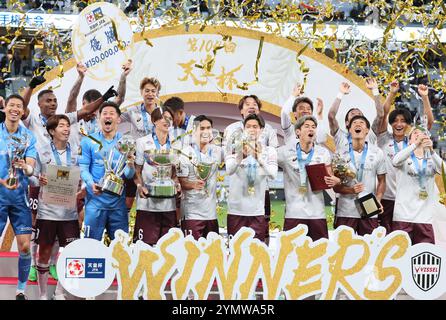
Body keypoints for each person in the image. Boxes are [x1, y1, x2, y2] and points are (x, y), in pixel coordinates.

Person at [24, 81, 117, 282]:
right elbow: (21, 108)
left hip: (63, 181)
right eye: (48, 101)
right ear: (39, 104)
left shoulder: (64, 120)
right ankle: (34, 265)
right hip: (40, 181)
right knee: (35, 225)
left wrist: (103, 99)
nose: (53, 104)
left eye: (55, 100)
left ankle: (54, 266)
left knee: (60, 225)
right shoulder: (32, 120)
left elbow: (85, 111)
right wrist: (30, 87)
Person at [31, 115, 80, 300]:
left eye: (68, 126)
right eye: (62, 126)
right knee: (44, 253)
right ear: (52, 131)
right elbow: (32, 176)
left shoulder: (76, 151)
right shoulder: (40, 151)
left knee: (70, 254)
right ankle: (43, 294)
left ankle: (60, 292)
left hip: (70, 213)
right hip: (48, 212)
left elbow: (81, 176)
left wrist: (81, 189)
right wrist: (39, 179)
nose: (67, 129)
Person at [376, 81, 433, 234]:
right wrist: (392, 93)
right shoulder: (384, 139)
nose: (398, 124)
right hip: (387, 197)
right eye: (395, 121)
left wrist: (425, 98)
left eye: (403, 121)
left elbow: (429, 123)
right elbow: (383, 115)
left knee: (402, 240)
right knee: (384, 238)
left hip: (406, 200)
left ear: (408, 124)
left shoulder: (414, 142)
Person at [223, 95, 278, 244]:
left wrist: (259, 157)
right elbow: (229, 170)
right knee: (235, 251)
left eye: (255, 127)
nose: (252, 130)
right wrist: (241, 155)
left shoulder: (268, 151)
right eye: (248, 127)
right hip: (236, 210)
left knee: (257, 252)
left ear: (261, 130)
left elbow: (273, 174)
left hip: (256, 211)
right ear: (243, 128)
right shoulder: (234, 149)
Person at [79, 102, 135, 241]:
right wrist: (91, 184)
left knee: (120, 251)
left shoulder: (126, 142)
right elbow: (83, 169)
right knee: (90, 246)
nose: (107, 116)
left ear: (118, 119)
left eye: (111, 113)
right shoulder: (88, 141)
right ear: (99, 118)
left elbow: (128, 174)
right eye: (104, 114)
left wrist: (131, 163)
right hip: (95, 203)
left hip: (118, 205)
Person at [277, 116, 340, 241]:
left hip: (317, 214)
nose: (311, 129)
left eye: (313, 127)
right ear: (298, 131)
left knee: (319, 254)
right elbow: (264, 156)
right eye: (306, 126)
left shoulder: (323, 153)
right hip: (294, 213)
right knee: (292, 254)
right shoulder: (285, 152)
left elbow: (330, 177)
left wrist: (336, 181)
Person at [0, 94, 37, 300]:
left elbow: (31, 168)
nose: (15, 109)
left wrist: (26, 167)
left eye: (19, 106)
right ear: (5, 107)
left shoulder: (29, 137)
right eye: (11, 105)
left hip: (19, 198)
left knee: (24, 245)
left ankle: (20, 290)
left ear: (23, 112)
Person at [133, 107, 181, 246]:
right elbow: (137, 170)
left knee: (169, 250)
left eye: (170, 118)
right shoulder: (142, 142)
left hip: (168, 206)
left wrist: (176, 184)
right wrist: (140, 186)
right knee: (145, 250)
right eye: (163, 118)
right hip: (147, 205)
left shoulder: (175, 144)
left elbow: (175, 173)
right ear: (154, 121)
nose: (167, 121)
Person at [333, 115, 386, 236]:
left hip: (370, 206)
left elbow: (382, 181)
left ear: (367, 130)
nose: (358, 125)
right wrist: (351, 190)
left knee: (371, 247)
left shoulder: (377, 152)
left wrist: (378, 200)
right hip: (346, 209)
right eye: (354, 123)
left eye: (362, 123)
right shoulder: (340, 153)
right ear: (349, 130)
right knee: (344, 249)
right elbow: (335, 187)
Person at [392, 127, 442, 244]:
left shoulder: (432, 160)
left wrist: (432, 151)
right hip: (403, 216)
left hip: (424, 218)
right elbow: (395, 161)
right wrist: (415, 145)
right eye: (415, 133)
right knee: (400, 257)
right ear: (409, 141)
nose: (419, 135)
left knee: (423, 258)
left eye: (422, 134)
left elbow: (444, 171)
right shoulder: (404, 158)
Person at [177, 115, 223, 240]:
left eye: (208, 128)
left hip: (211, 215)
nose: (206, 131)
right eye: (201, 128)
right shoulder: (185, 153)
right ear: (194, 130)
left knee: (212, 254)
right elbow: (180, 181)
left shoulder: (218, 151)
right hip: (192, 213)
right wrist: (192, 184)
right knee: (192, 254)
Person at [119, 76, 160, 215]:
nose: (150, 94)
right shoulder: (133, 111)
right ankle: (122, 228)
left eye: (153, 91)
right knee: (129, 198)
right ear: (141, 92)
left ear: (157, 93)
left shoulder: (162, 112)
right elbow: (115, 118)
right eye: (147, 91)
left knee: (153, 197)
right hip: (136, 159)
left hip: (155, 160)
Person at [328, 78, 384, 148]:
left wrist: (375, 90)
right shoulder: (340, 137)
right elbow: (331, 116)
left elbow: (380, 115)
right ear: (347, 123)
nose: (356, 116)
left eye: (359, 115)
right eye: (352, 114)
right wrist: (340, 93)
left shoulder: (370, 136)